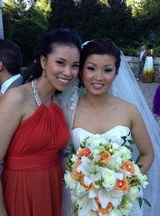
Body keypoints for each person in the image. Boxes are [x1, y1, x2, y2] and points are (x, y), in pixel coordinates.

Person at [0, 28, 82, 216]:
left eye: (74, 65)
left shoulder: (59, 103)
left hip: (53, 190)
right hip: (21, 191)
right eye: (60, 63)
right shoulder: (16, 98)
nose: (68, 72)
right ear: (43, 61)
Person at [61, 39, 159, 216]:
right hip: (86, 201)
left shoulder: (129, 110)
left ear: (116, 73)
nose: (99, 77)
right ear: (81, 70)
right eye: (91, 68)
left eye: (107, 70)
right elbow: (62, 159)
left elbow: (148, 153)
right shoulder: (69, 112)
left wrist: (124, 181)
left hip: (123, 200)